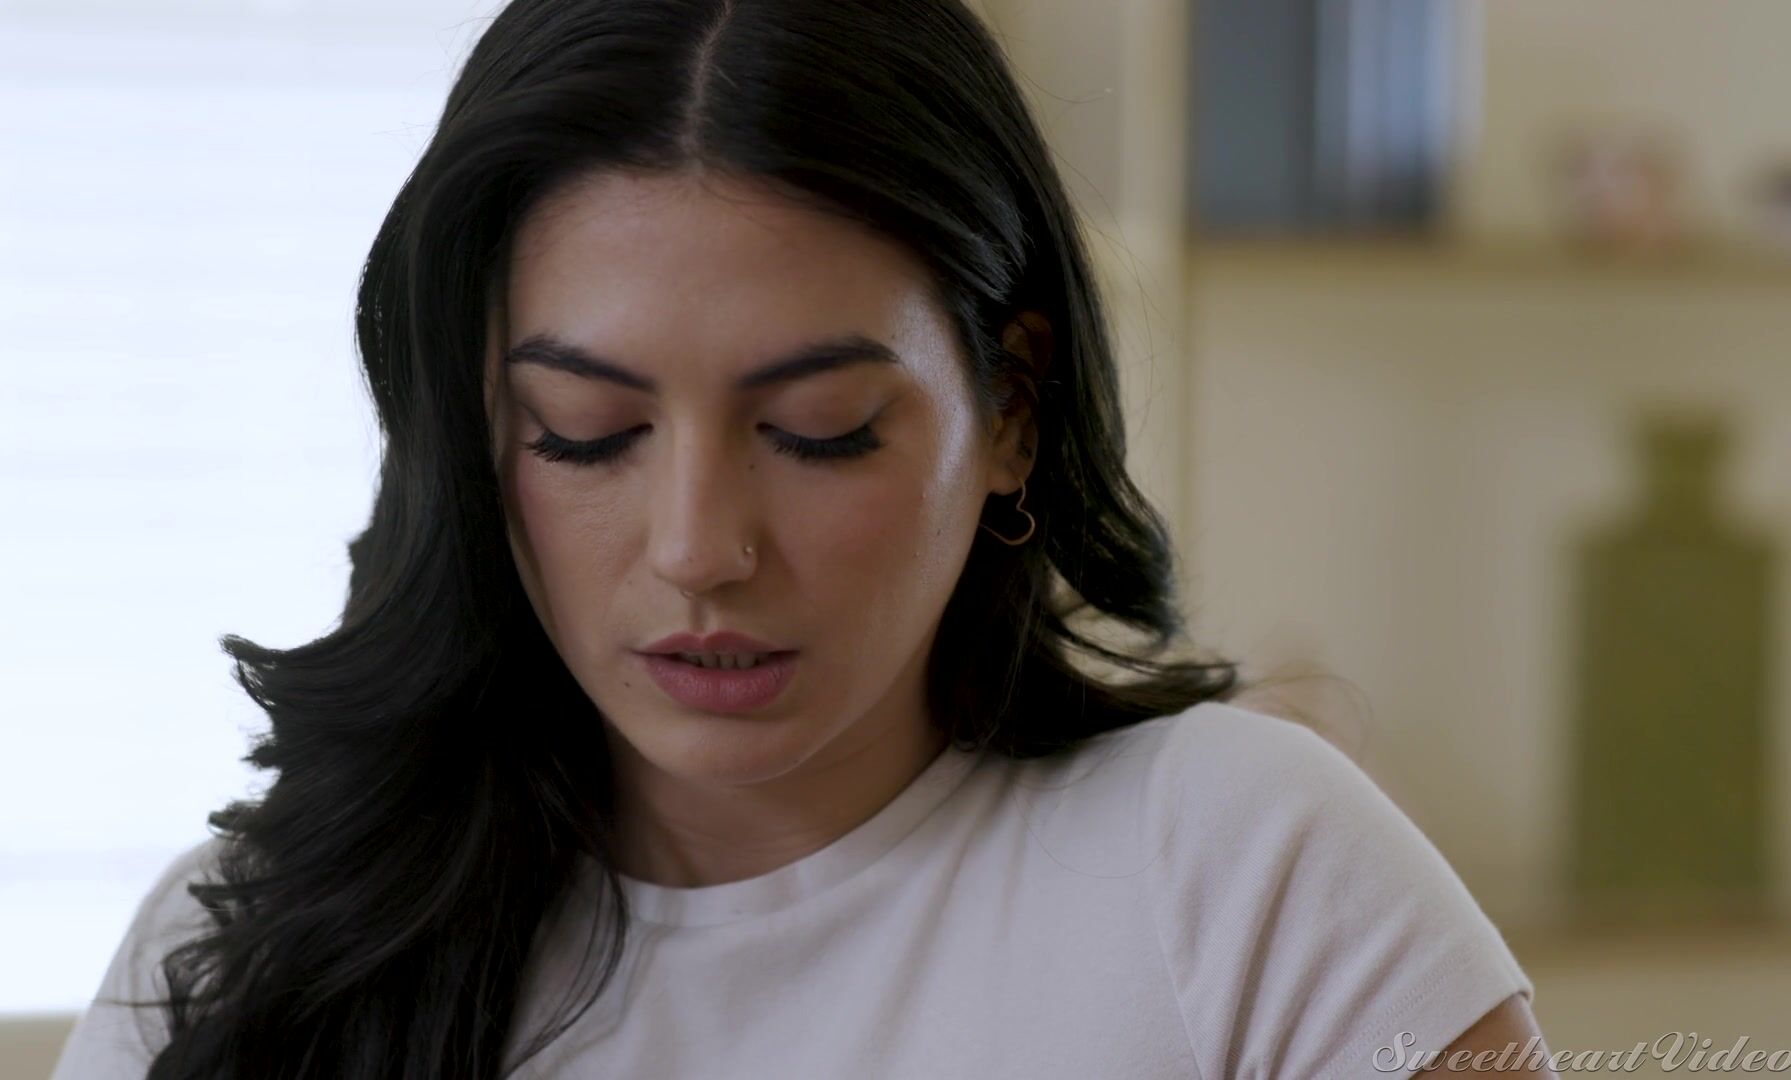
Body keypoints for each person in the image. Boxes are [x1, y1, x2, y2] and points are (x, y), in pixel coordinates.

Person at [51, 0, 1550, 1076]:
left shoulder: (1244, 876)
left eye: (819, 429)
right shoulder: (237, 952)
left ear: (1012, 410)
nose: (699, 548)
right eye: (587, 430)